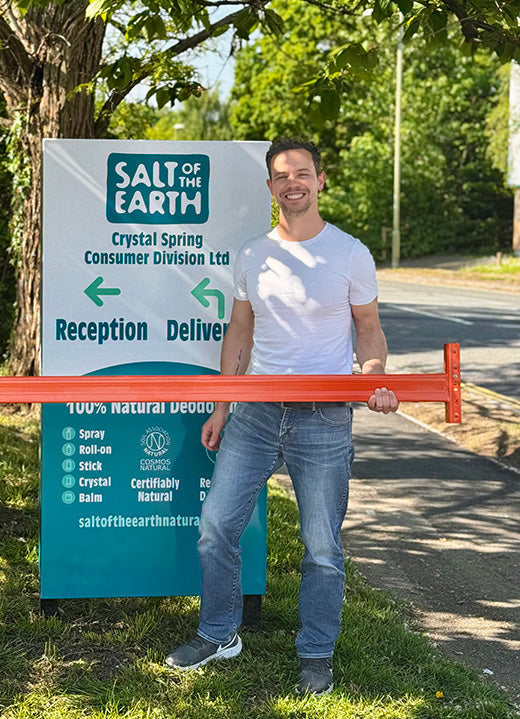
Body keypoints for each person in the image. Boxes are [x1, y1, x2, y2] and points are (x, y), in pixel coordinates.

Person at [165, 138, 399, 694]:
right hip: (256, 411)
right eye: (280, 175)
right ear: (271, 188)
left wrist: (374, 378)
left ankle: (316, 651)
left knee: (321, 545)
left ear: (320, 181)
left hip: (324, 417)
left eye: (301, 173)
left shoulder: (350, 253)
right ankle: (221, 632)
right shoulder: (253, 254)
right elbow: (239, 333)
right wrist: (222, 406)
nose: (292, 182)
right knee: (216, 527)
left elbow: (367, 327)